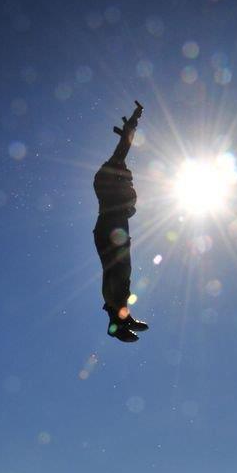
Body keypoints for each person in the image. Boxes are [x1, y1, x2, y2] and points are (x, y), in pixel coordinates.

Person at [93, 101, 149, 343]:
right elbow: (123, 148)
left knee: (123, 273)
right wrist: (132, 123)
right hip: (109, 228)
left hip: (116, 229)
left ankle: (121, 315)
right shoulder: (112, 173)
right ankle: (115, 320)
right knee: (116, 272)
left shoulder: (119, 191)